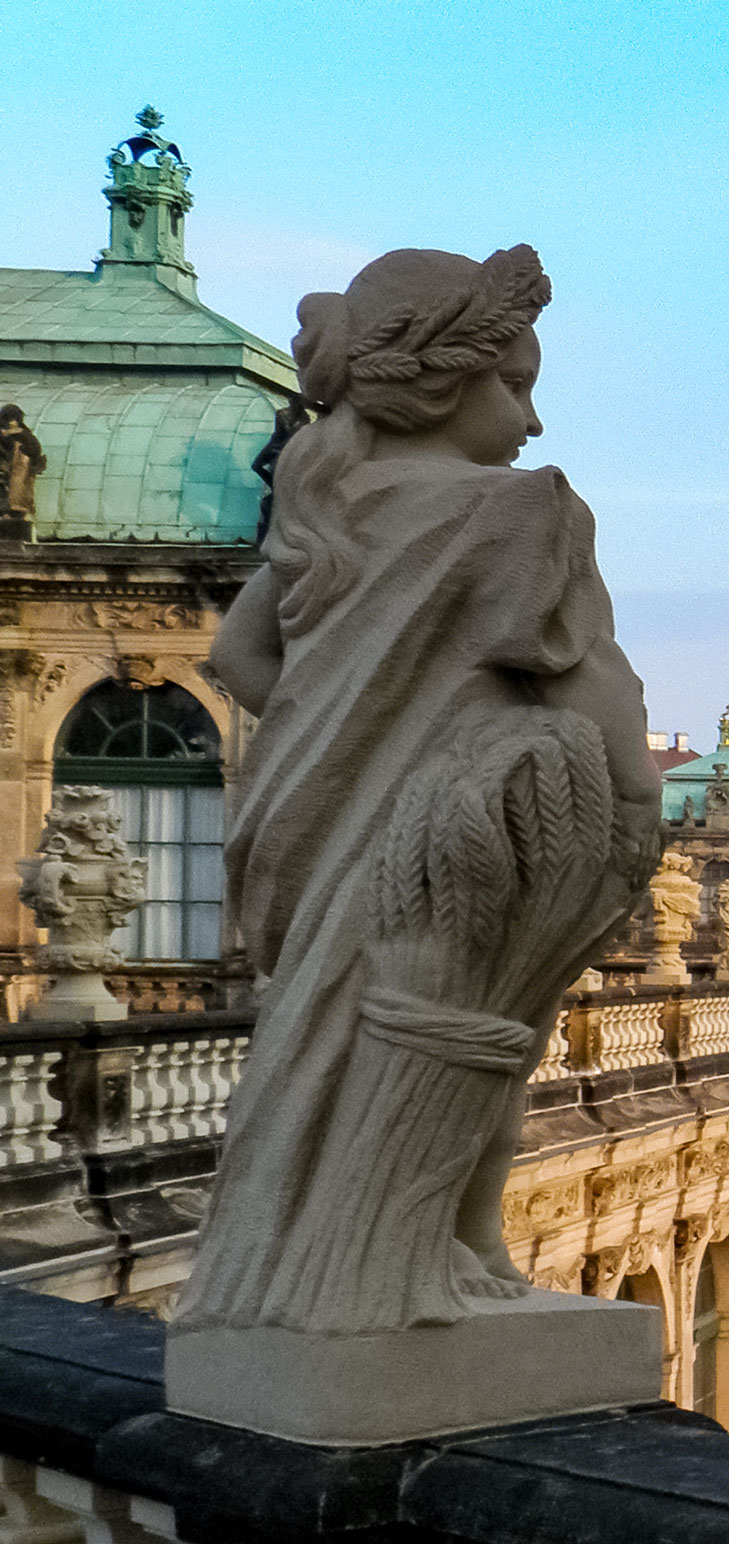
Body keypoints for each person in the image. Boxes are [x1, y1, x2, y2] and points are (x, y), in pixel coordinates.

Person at [180, 245, 660, 1334]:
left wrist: (349, 723)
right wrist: (617, 805)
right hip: (445, 846)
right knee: (475, 1041)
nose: (532, 423)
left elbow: (239, 657)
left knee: (342, 1040)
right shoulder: (523, 512)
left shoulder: (326, 509)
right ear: (444, 381)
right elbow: (597, 703)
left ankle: (357, 1260)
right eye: (517, 386)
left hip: (310, 825)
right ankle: (432, 1249)